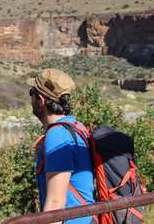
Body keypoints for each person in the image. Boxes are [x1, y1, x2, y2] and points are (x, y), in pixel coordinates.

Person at [27, 68, 95, 224]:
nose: (30, 98)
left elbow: (55, 204)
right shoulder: (75, 126)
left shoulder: (58, 136)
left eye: (31, 93)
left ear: (41, 100)